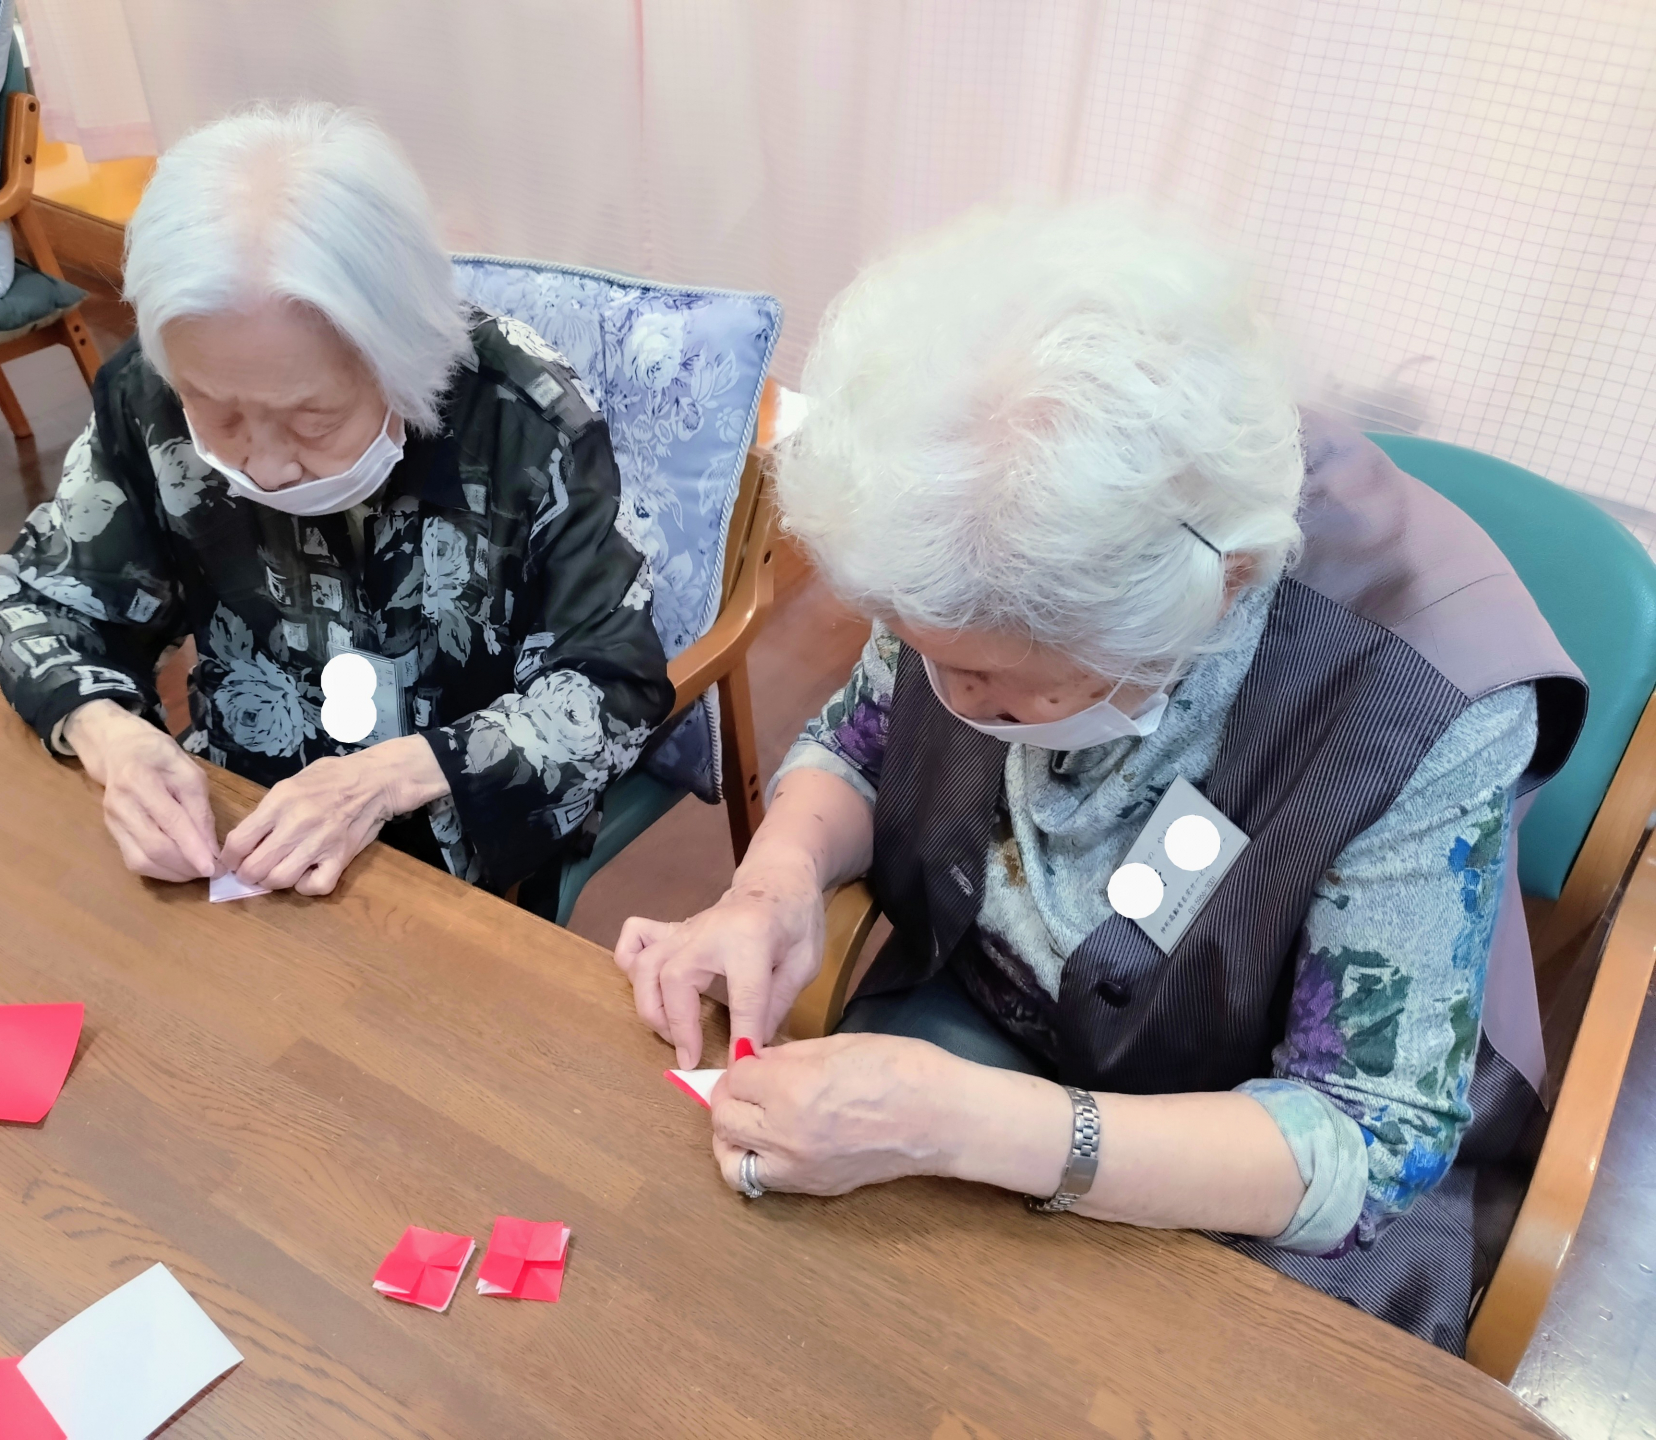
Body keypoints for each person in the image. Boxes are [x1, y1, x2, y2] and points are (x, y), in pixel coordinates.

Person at [613, 205, 1585, 1353]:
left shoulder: (1426, 687)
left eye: (993, 679)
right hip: (983, 1030)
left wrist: (971, 1125)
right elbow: (864, 742)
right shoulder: (968, 509)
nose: (945, 693)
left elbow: (1369, 1135)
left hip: (1249, 1168)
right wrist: (773, 884)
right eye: (925, 650)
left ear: (1221, 589)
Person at [0, 104, 672, 902]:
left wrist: (387, 779)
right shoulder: (158, 384)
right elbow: (42, 599)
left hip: (447, 854)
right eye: (220, 415)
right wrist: (113, 736)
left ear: (402, 358)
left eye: (312, 421)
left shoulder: (524, 418)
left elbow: (613, 684)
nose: (266, 466)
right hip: (233, 813)